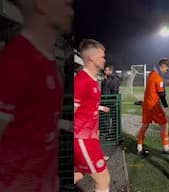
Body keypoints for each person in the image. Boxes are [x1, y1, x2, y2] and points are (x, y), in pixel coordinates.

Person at [0, 0, 73, 191]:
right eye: (65, 3)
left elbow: (34, 121)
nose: (71, 10)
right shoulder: (17, 59)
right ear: (42, 5)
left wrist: (65, 125)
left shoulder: (49, 61)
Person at [74, 39, 110, 192]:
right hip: (81, 138)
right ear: (91, 58)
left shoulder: (93, 80)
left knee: (80, 174)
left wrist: (95, 131)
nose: (104, 60)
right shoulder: (81, 81)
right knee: (103, 179)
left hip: (90, 137)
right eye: (102, 57)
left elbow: (89, 107)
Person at [137, 58, 169, 155]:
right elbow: (162, 95)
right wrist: (167, 110)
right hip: (154, 107)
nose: (166, 71)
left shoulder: (151, 74)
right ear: (163, 66)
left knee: (144, 126)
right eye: (166, 69)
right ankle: (166, 148)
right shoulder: (158, 78)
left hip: (146, 106)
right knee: (164, 124)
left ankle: (139, 147)